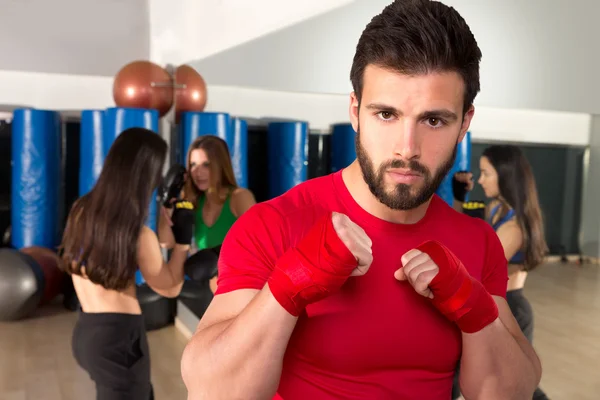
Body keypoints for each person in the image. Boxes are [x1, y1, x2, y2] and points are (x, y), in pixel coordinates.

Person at [180, 1, 543, 399]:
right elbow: (211, 389)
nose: (407, 148)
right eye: (386, 114)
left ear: (465, 123)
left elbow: (510, 391)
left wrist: (475, 309)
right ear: (355, 110)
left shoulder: (477, 242)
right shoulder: (272, 225)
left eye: (433, 120)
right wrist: (289, 286)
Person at [59, 127, 194, 400]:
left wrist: (166, 209)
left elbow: (152, 246)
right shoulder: (137, 234)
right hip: (120, 341)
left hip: (88, 333)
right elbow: (169, 288)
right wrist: (183, 243)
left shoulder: (81, 210)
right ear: (146, 175)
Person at [453, 145, 550, 400]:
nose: (481, 180)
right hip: (494, 305)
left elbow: (478, 268)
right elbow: (463, 228)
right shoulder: (496, 208)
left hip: (511, 309)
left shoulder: (514, 227)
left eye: (486, 174)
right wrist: (460, 197)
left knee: (515, 386)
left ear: (505, 176)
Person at [158, 135, 256, 292]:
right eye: (193, 165)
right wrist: (167, 202)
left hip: (246, 290)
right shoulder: (193, 202)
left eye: (206, 165)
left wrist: (218, 255)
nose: (198, 172)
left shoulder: (239, 197)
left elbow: (258, 241)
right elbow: (166, 242)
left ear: (220, 166)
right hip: (214, 294)